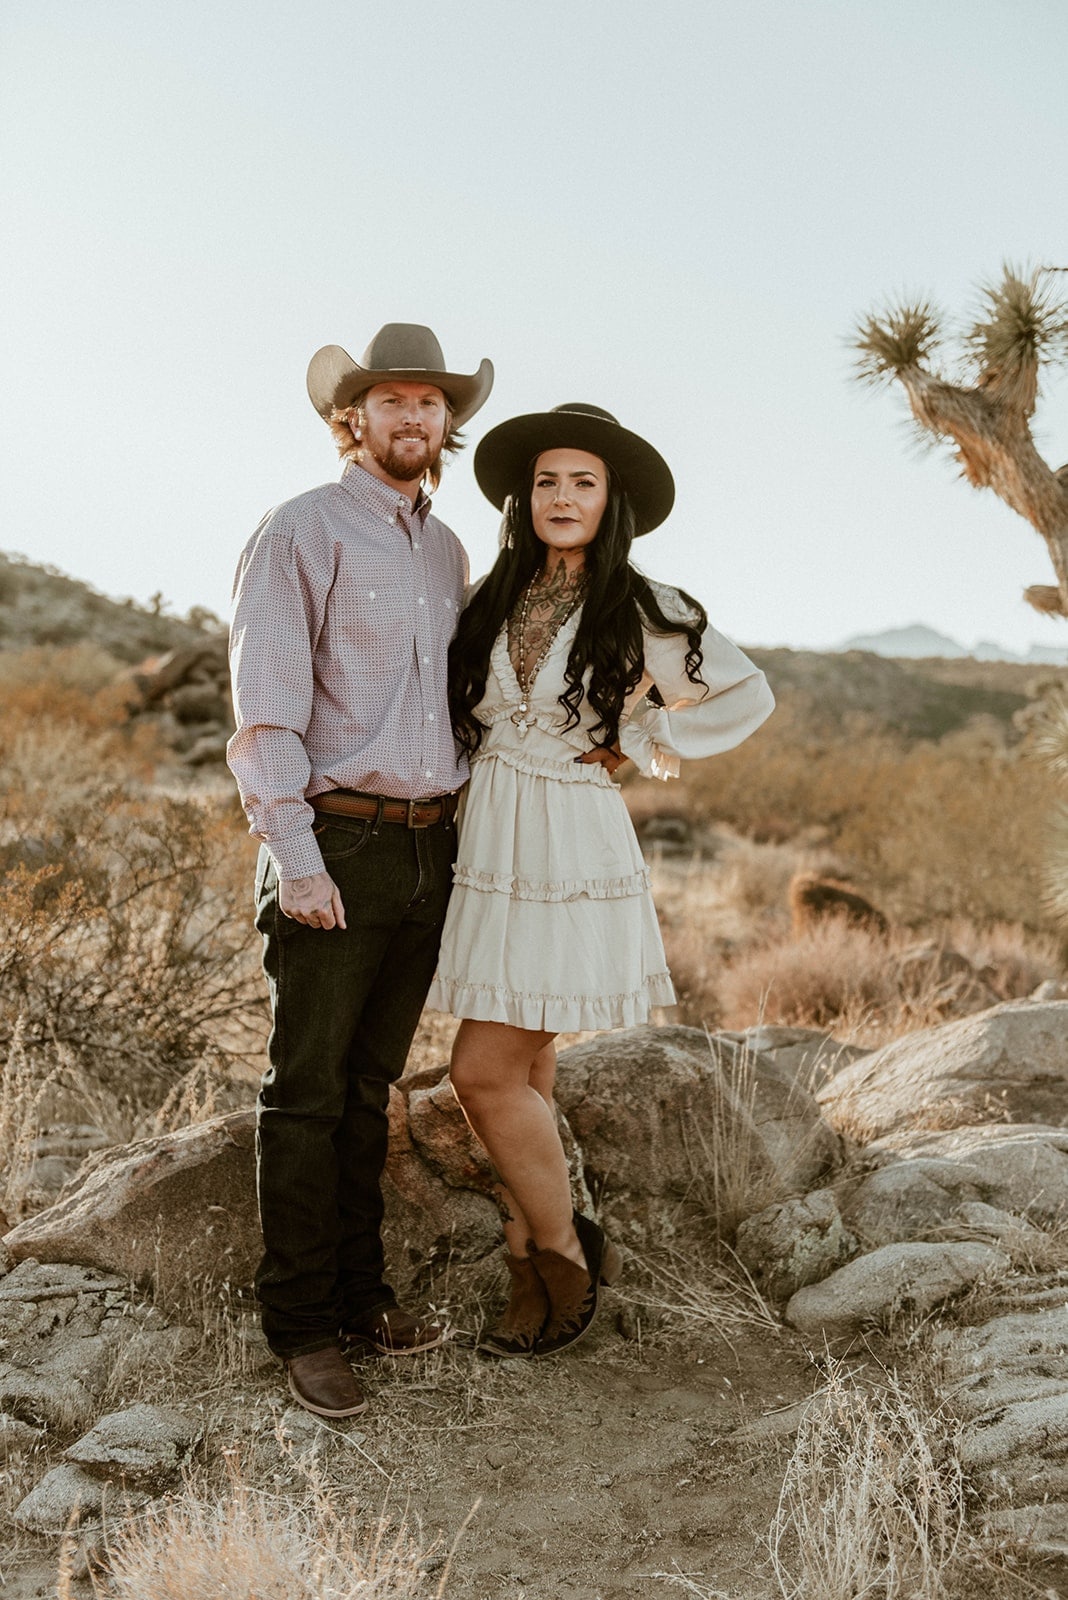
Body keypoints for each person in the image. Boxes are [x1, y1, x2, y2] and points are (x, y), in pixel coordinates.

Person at [427, 402, 774, 1358]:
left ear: (610, 498)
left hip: (570, 838)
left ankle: (561, 1245)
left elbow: (750, 693)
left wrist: (643, 734)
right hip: (493, 831)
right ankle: (528, 1248)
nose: (563, 497)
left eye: (583, 481)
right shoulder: (493, 594)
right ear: (522, 498)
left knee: (481, 1070)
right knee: (528, 1061)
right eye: (547, 481)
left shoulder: (642, 601)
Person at [227, 323, 493, 1417]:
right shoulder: (301, 531)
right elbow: (266, 713)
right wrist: (295, 856)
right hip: (334, 842)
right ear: (353, 419)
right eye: (392, 402)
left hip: (429, 847)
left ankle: (360, 1294)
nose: (413, 420)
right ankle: (300, 1324)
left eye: (430, 405)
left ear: (446, 425)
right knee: (306, 1093)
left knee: (368, 1091)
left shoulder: (447, 551)